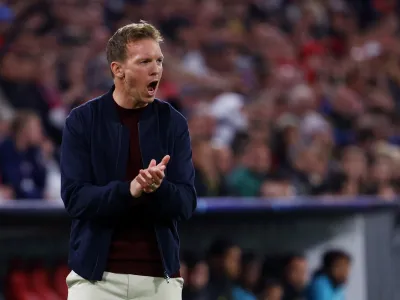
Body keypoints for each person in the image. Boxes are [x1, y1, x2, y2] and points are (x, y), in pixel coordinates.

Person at [60, 21, 197, 300]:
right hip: (96, 281)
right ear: (117, 70)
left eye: (159, 60)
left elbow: (186, 202)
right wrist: (129, 190)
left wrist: (158, 188)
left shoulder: (173, 123)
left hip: (160, 281)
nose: (156, 68)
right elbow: (75, 198)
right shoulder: (83, 121)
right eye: (144, 61)